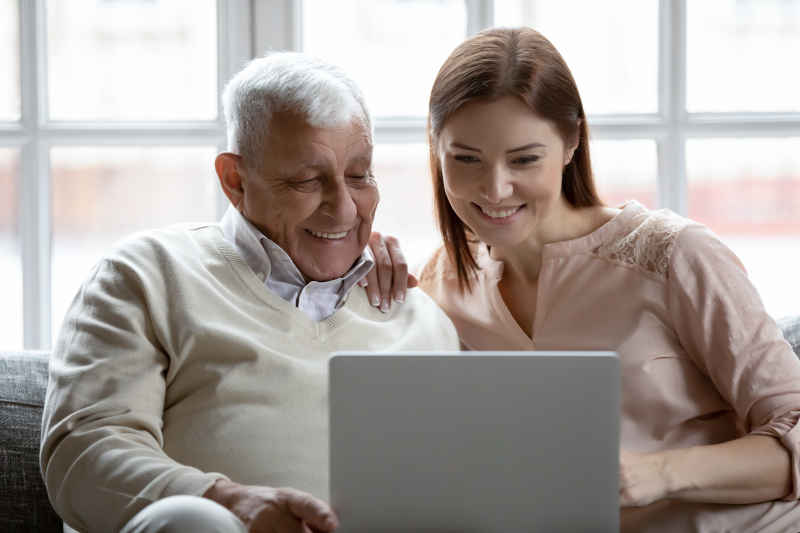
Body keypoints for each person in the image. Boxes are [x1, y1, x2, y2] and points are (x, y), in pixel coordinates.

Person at [40, 52, 459, 533]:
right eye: (308, 180)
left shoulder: (420, 318)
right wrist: (229, 502)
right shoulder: (147, 275)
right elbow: (83, 454)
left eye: (359, 175)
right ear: (234, 181)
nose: (344, 210)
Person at [418, 27, 800, 532]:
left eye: (524, 159)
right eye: (465, 159)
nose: (495, 188)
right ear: (435, 147)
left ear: (572, 142)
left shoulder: (674, 256)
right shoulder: (442, 281)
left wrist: (659, 473)